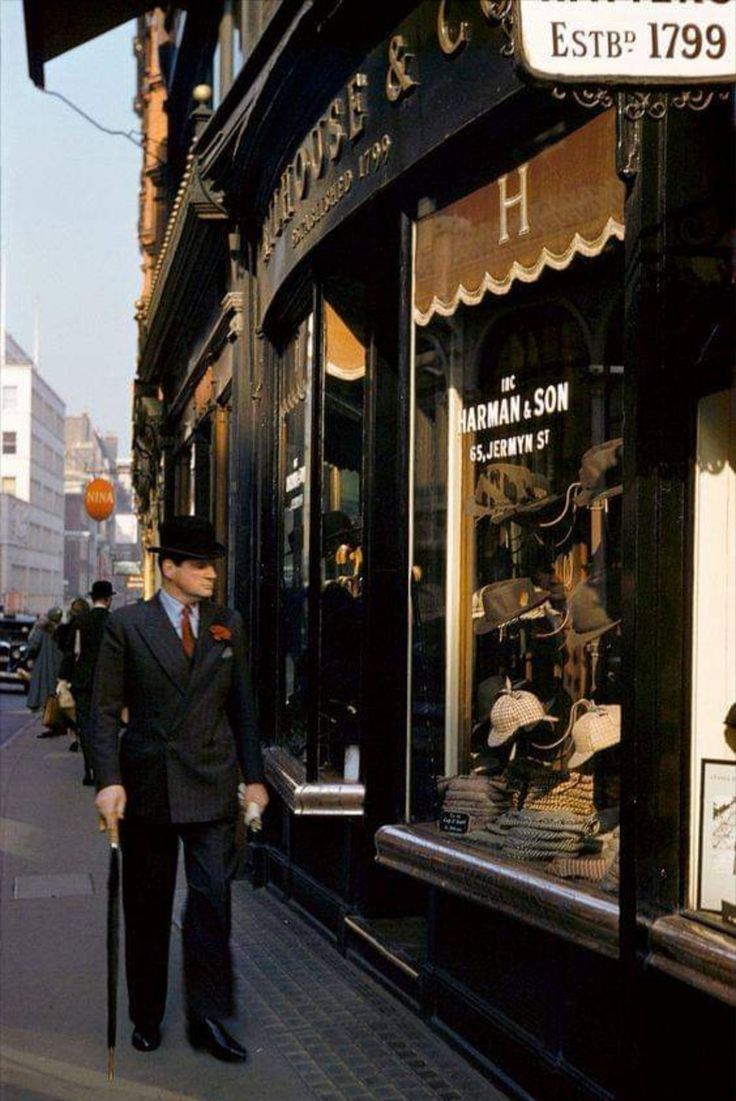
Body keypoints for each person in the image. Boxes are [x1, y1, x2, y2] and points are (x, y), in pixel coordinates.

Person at [91, 516, 268, 1063]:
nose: (211, 573)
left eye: (213, 562)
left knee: (212, 903)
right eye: (198, 564)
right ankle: (146, 1013)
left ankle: (207, 1019)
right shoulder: (127, 625)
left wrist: (255, 779)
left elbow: (243, 709)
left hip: (213, 785)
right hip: (148, 784)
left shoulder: (227, 624)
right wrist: (108, 782)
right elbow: (100, 713)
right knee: (147, 906)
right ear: (169, 568)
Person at [59, 584, 113, 783]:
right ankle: (102, 769)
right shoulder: (114, 621)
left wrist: (63, 679)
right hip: (108, 682)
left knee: (85, 726)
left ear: (93, 598)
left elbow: (71, 653)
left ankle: (89, 768)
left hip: (83, 681)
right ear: (109, 599)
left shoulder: (81, 621)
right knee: (105, 726)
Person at [57, 596, 91, 755]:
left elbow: (66, 653)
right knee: (83, 707)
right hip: (87, 674)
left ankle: (73, 736)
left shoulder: (66, 628)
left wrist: (62, 677)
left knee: (67, 705)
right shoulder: (90, 626)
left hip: (70, 673)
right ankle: (83, 734)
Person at [26, 607, 65, 737]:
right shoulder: (62, 630)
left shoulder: (42, 630)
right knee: (57, 697)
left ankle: (50, 723)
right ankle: (58, 724)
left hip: (44, 667)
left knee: (46, 697)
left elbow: (33, 646)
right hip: (59, 668)